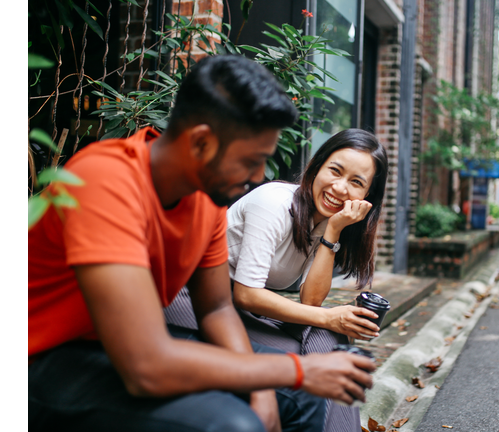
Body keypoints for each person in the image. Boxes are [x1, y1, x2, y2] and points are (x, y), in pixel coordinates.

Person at [28, 55, 376, 432]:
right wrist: (294, 369)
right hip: (43, 356)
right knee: (232, 424)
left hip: (113, 346)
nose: (259, 175)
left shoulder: (206, 200)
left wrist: (262, 386)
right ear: (201, 142)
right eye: (251, 160)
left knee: (301, 396)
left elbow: (216, 309)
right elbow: (145, 367)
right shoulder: (106, 182)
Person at [164, 128, 388, 432]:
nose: (340, 187)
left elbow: (310, 301)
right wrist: (330, 318)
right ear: (317, 166)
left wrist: (333, 231)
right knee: (320, 348)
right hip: (194, 303)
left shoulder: (328, 220)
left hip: (233, 310)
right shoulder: (273, 203)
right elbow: (247, 294)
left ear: (367, 197)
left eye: (356, 182)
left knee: (328, 341)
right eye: (335, 170)